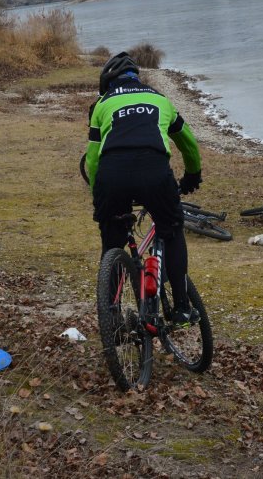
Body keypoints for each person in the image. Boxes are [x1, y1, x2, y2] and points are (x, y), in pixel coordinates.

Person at [84, 52, 202, 327]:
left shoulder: (101, 105)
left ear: (108, 82)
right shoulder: (161, 101)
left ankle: (111, 316)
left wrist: (98, 197)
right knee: (171, 231)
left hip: (111, 177)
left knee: (112, 242)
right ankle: (182, 308)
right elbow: (189, 145)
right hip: (155, 173)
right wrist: (192, 176)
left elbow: (92, 159)